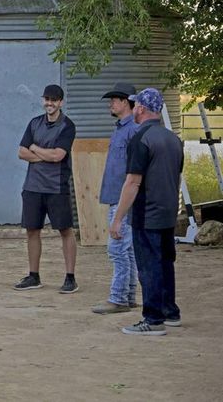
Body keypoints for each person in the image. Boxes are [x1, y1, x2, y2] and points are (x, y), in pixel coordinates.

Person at [110, 88, 183, 336]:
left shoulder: (140, 139)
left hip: (147, 212)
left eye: (136, 105)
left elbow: (133, 182)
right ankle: (170, 311)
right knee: (165, 262)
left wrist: (118, 218)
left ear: (140, 108)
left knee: (149, 265)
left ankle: (152, 320)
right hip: (168, 211)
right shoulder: (173, 139)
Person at [14, 84, 78, 293]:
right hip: (33, 187)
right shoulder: (34, 123)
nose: (49, 103)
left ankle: (70, 277)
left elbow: (58, 156)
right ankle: (34, 276)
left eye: (53, 100)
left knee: (65, 230)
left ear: (61, 102)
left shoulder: (67, 126)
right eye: (46, 99)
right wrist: (45, 155)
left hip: (56, 186)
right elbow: (21, 152)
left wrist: (35, 149)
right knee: (32, 230)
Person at [92, 83, 140, 314]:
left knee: (117, 249)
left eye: (114, 99)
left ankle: (118, 298)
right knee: (127, 250)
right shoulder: (121, 128)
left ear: (126, 102)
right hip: (117, 196)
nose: (110, 103)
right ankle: (129, 296)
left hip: (124, 199)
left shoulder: (133, 130)